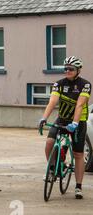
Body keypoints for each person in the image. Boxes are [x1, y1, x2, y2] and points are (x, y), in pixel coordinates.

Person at [39, 56, 91, 199]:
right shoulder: (59, 84)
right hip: (62, 119)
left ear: (78, 70)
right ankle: (52, 169)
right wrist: (44, 118)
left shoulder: (85, 84)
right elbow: (52, 102)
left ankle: (78, 186)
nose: (67, 71)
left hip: (78, 121)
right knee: (49, 142)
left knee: (78, 154)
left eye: (71, 69)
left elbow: (80, 105)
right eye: (65, 68)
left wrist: (75, 123)